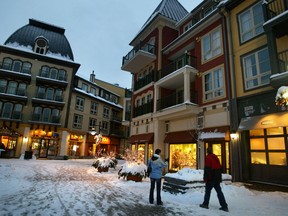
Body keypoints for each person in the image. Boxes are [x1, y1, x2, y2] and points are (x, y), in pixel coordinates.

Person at [200, 147, 228, 212]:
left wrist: (206, 178)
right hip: (217, 178)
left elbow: (207, 169)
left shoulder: (208, 158)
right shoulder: (216, 157)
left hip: (211, 178)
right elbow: (220, 168)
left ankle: (205, 204)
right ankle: (224, 206)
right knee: (219, 192)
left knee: (207, 191)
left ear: (207, 151)